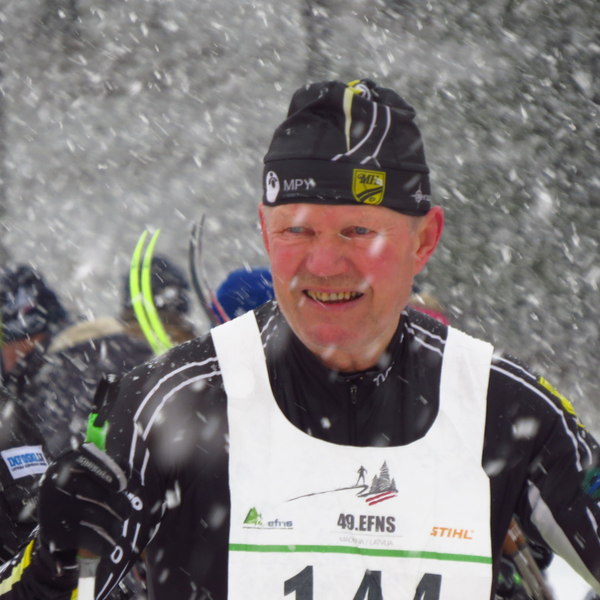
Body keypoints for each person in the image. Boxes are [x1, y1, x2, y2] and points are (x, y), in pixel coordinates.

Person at [1, 78, 599, 599]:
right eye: (298, 230)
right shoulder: (164, 405)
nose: (325, 264)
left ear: (424, 239)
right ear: (264, 231)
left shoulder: (507, 407)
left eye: (358, 230)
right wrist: (54, 565)